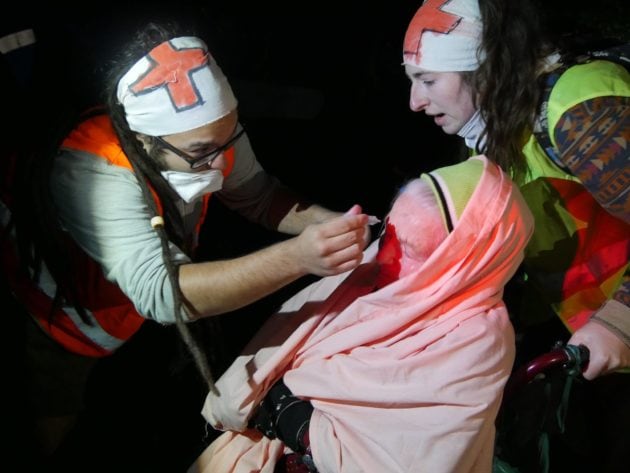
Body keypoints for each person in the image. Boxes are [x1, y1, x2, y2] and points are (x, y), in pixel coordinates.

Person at [0, 19, 373, 462]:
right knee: (55, 416)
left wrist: (346, 226)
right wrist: (298, 257)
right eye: (201, 154)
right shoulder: (91, 170)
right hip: (70, 313)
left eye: (227, 140)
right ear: (142, 138)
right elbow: (163, 292)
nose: (221, 161)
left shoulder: (209, 131)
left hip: (144, 308)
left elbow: (259, 194)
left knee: (141, 390)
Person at [188, 155, 534, 473]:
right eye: (390, 234)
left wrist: (294, 419)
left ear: (459, 267)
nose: (383, 257)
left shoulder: (477, 339)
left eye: (411, 250)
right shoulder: (371, 267)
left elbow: (403, 461)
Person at [402, 0, 629, 470]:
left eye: (427, 81)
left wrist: (617, 322)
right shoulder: (500, 123)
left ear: (485, 70)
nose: (415, 102)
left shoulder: (579, 112)